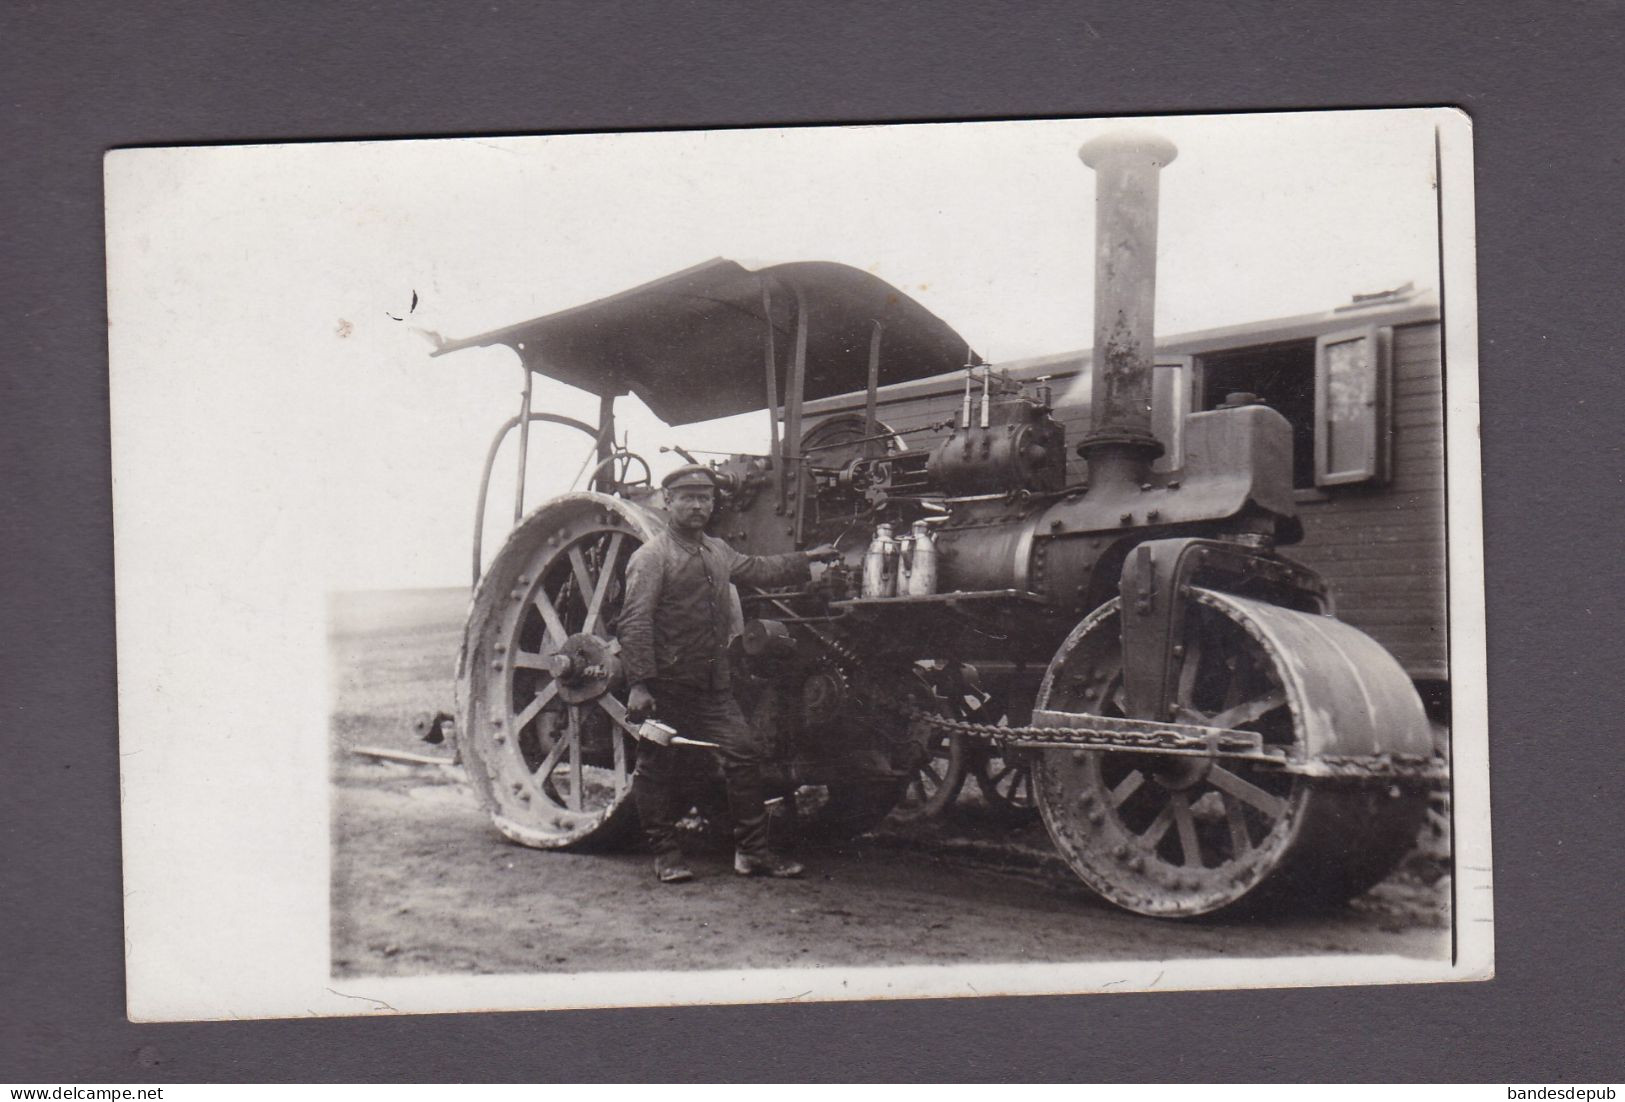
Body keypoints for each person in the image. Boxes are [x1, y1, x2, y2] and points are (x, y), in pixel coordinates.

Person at [619, 464, 841, 883]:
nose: (698, 506)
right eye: (687, 497)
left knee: (743, 753)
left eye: (705, 498)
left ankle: (752, 852)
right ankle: (665, 854)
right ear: (667, 502)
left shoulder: (716, 550)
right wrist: (639, 684)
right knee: (655, 767)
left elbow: (758, 568)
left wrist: (805, 559)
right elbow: (634, 622)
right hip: (666, 686)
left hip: (712, 687)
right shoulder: (651, 557)